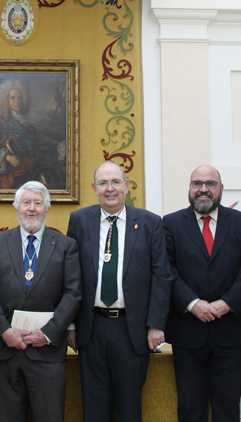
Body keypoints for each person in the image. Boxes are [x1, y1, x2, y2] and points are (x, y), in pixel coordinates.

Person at [66, 160, 171, 422]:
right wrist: (71, 324)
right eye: (103, 183)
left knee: (129, 408)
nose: (110, 188)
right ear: (94, 188)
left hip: (131, 329)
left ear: (126, 185)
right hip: (92, 327)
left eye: (115, 182)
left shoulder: (149, 223)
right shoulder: (79, 220)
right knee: (94, 408)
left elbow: (162, 276)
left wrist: (156, 324)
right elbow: (70, 276)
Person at [162, 164, 241, 422]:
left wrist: (226, 303)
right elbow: (167, 271)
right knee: (190, 409)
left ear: (221, 188)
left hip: (231, 332)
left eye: (210, 184)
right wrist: (193, 303)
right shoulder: (171, 223)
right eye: (197, 183)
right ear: (190, 187)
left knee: (227, 410)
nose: (203, 189)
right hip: (188, 333)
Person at [0, 181, 81, 422]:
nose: (32, 208)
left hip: (47, 352)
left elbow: (73, 294)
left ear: (47, 208)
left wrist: (47, 333)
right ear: (16, 207)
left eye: (38, 203)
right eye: (26, 203)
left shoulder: (66, 246)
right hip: (6, 351)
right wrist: (5, 331)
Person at [0, 80, 66, 190]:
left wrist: (60, 146)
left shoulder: (24, 122)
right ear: (5, 100)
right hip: (15, 175)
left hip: (31, 169)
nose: (17, 101)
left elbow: (41, 141)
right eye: (13, 98)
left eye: (20, 97)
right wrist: (8, 158)